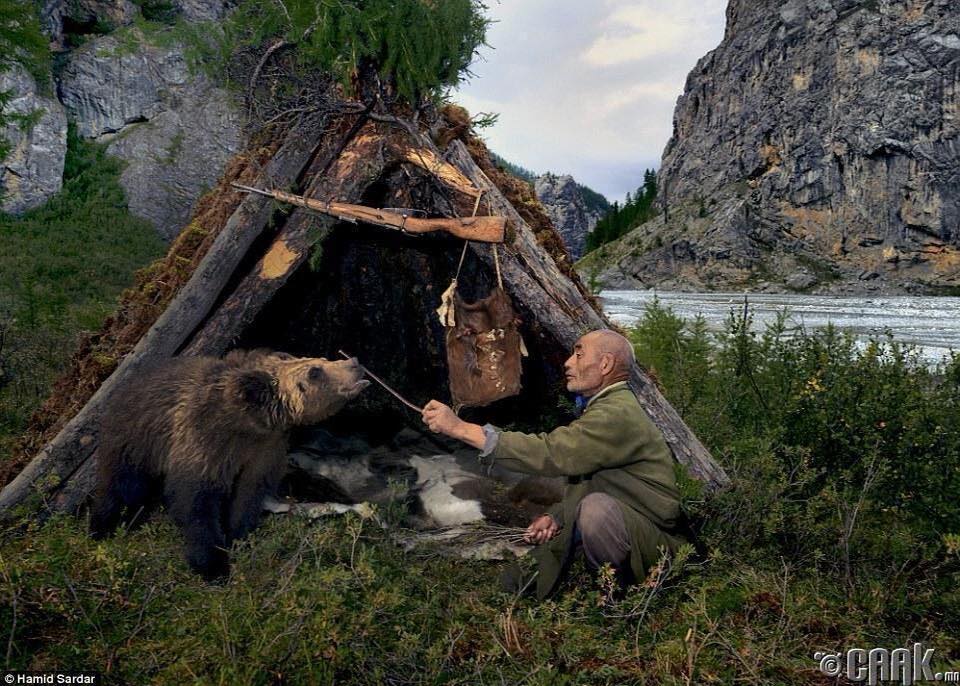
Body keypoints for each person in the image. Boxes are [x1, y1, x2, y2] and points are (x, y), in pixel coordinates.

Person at [421, 329, 686, 599]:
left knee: (596, 511)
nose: (568, 362)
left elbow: (551, 452)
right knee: (518, 579)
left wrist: (461, 429)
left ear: (605, 364)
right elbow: (600, 482)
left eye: (579, 354)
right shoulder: (609, 405)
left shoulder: (616, 414)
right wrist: (556, 517)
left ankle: (615, 600)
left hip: (660, 545)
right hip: (640, 531)